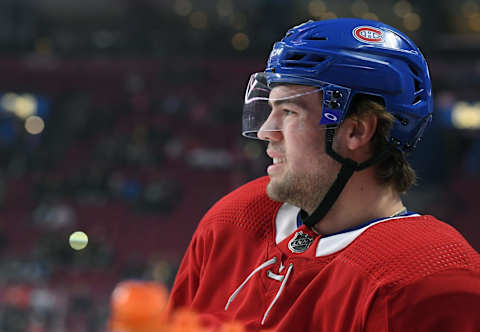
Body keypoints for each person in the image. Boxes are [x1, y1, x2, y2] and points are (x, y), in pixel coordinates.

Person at [168, 18, 480, 331]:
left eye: (289, 112)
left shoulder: (432, 280)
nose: (265, 132)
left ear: (356, 130)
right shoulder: (231, 222)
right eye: (270, 109)